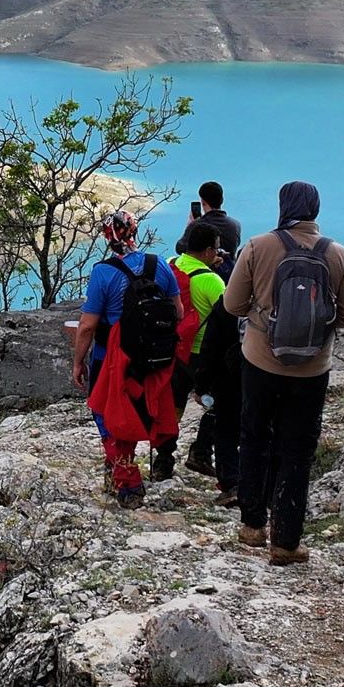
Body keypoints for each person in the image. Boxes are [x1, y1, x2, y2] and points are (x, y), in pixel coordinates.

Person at [218, 181, 344, 566]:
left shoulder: (258, 246)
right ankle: (286, 541)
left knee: (254, 436)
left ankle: (252, 524)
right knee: (297, 450)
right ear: (315, 209)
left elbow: (232, 304)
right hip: (313, 369)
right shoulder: (339, 254)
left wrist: (262, 317)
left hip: (261, 361)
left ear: (284, 206)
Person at [70, 210, 185, 506]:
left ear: (107, 237)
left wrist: (77, 362)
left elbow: (87, 325)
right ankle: (117, 473)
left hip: (112, 357)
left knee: (106, 415)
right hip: (151, 357)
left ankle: (127, 482)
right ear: (135, 231)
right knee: (131, 412)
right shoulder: (158, 263)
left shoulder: (103, 272)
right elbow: (178, 312)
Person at [176, 218, 241, 508]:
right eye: (216, 250)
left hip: (177, 350)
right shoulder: (211, 280)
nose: (219, 254)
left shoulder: (171, 264)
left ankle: (163, 460)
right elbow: (231, 314)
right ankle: (202, 452)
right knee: (218, 406)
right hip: (205, 352)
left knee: (174, 405)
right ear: (205, 251)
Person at [179, 181, 242, 261]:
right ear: (222, 200)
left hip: (204, 270)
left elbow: (180, 248)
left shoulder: (196, 226)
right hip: (229, 271)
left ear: (203, 202)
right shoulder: (236, 225)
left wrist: (190, 226)